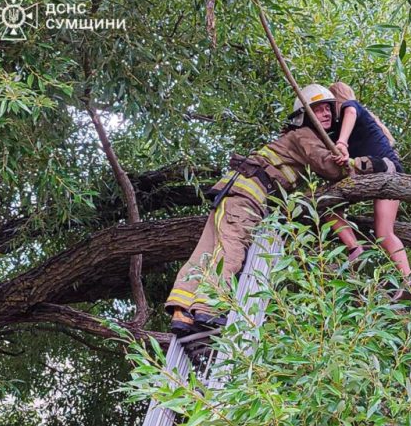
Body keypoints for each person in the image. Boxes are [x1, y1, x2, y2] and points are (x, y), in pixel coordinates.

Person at [166, 84, 390, 335]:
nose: (326, 113)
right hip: (247, 197)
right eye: (318, 110)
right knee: (231, 247)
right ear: (304, 115)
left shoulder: (293, 136)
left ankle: (182, 310)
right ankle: (210, 307)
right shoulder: (305, 135)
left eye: (328, 108)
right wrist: (369, 164)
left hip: (232, 193)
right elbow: (331, 168)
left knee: (206, 250)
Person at [325, 81, 411, 301]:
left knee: (384, 231)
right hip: (377, 174)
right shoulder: (337, 128)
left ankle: (405, 277)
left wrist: (342, 144)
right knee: (328, 203)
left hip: (383, 167)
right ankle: (358, 250)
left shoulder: (351, 108)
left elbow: (350, 110)